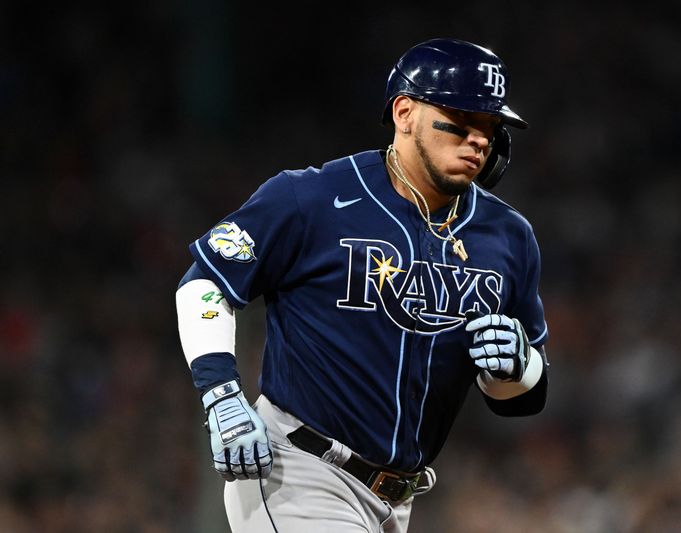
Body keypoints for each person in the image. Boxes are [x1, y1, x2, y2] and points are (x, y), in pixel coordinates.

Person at [175, 37, 550, 533]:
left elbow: (524, 398)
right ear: (404, 112)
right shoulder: (311, 197)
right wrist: (222, 394)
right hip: (298, 472)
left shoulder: (507, 236)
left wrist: (518, 368)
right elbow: (205, 283)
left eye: (490, 125)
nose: (479, 140)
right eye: (461, 121)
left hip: (398, 499)